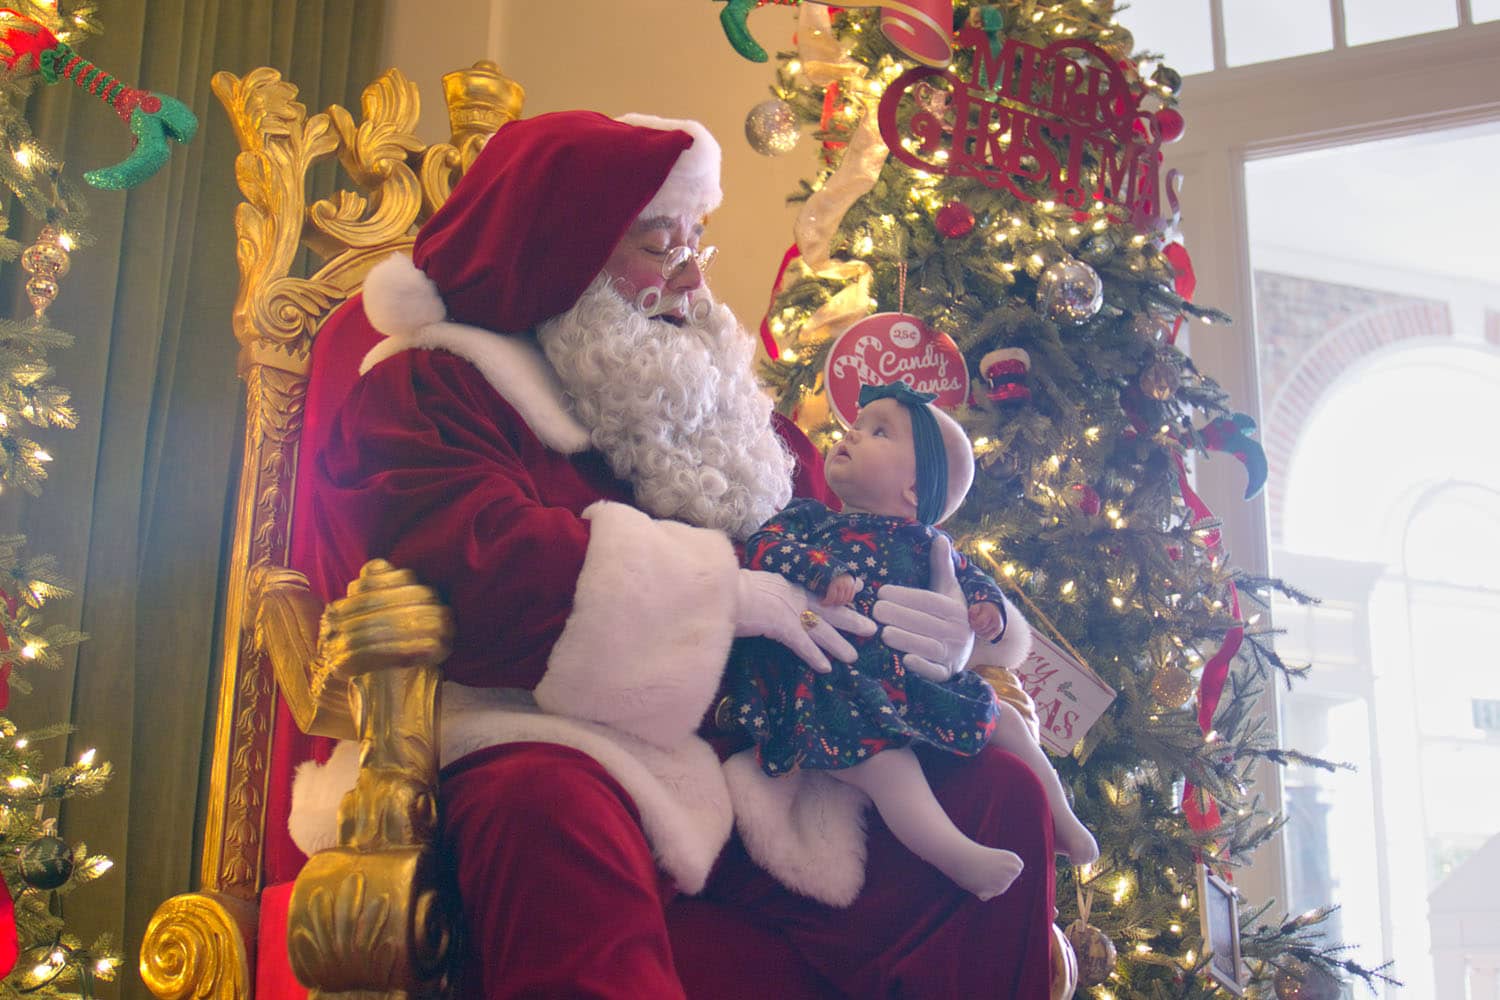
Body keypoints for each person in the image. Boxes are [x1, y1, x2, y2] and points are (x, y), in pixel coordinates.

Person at [295, 110, 1059, 998]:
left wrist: (947, 633)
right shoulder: (435, 385)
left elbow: (842, 562)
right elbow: (474, 570)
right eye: (662, 247)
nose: (694, 276)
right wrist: (725, 596)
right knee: (547, 811)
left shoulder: (734, 413)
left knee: (993, 793)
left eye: (699, 241)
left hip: (761, 743)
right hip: (548, 732)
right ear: (561, 258)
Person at [723, 381, 1098, 903]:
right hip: (831, 686)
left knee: (1007, 720)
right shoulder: (813, 520)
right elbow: (765, 546)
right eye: (860, 422)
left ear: (915, 494)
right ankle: (953, 852)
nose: (851, 431)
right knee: (888, 767)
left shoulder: (931, 546)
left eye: (879, 432)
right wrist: (819, 567)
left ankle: (1063, 818)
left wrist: (985, 614)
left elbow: (973, 583)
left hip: (908, 683)